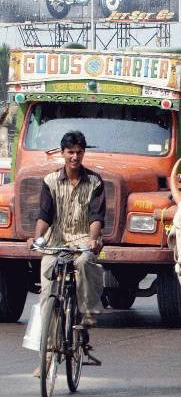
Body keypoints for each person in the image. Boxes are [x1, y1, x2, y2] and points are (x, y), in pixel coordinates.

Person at [31, 131, 106, 327]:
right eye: (70, 152)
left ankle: (87, 310)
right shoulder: (50, 180)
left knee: (85, 262)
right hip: (55, 241)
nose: (75, 157)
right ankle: (47, 349)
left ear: (83, 153)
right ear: (62, 153)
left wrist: (93, 239)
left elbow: (96, 215)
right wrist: (37, 238)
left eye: (79, 152)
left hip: (83, 240)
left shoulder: (94, 181)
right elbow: (45, 214)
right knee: (47, 285)